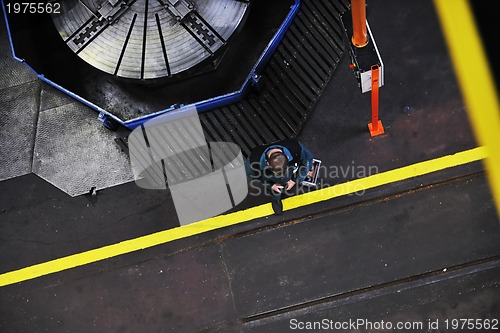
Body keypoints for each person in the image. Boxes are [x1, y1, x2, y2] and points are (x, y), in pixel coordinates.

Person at [245, 138, 314, 215]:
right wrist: (271, 185)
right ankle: (276, 199)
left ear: (287, 157)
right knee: (274, 191)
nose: (282, 176)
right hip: (270, 177)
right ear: (268, 164)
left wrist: (295, 180)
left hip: (281, 172)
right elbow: (254, 176)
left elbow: (308, 160)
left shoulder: (295, 147)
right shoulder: (254, 162)